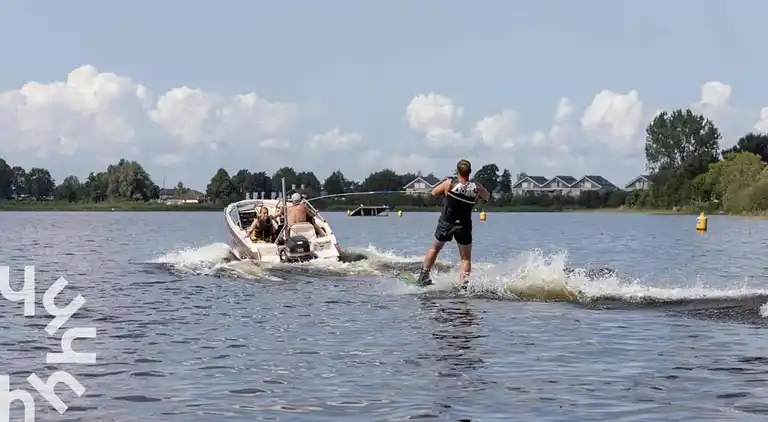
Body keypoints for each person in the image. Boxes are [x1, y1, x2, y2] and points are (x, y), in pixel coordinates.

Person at [416, 159, 490, 287]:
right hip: (464, 225)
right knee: (465, 258)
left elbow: (433, 193)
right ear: (470, 172)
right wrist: (477, 194)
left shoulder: (449, 183)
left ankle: (423, 277)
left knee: (434, 249)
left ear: (457, 171)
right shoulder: (476, 187)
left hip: (446, 222)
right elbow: (487, 196)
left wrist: (443, 189)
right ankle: (463, 286)